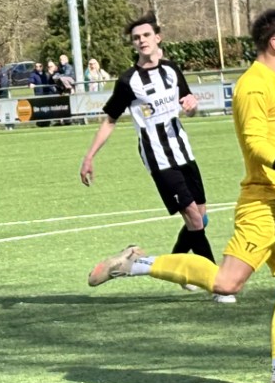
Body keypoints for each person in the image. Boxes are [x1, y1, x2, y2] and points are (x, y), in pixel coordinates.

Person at [86, 9, 275, 383]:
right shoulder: (252, 86)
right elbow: (257, 145)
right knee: (227, 283)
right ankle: (134, 264)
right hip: (264, 202)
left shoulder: (272, 83)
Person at [80, 15, 219, 282]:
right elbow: (110, 120)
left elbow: (187, 103)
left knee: (201, 219)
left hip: (184, 151)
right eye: (136, 38)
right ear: (133, 44)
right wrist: (89, 156)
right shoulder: (128, 81)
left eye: (146, 35)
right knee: (192, 217)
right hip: (157, 157)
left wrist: (192, 106)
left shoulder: (171, 70)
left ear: (158, 38)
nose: (141, 40)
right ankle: (214, 280)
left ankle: (169, 267)